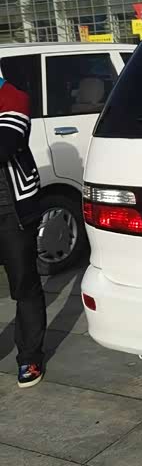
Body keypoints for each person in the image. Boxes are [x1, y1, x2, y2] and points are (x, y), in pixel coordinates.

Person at [0, 74, 45, 386]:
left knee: (24, 284)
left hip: (11, 212)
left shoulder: (13, 96)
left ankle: (29, 357)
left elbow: (4, 145)